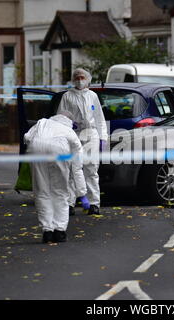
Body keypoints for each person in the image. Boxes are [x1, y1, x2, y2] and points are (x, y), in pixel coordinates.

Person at [24, 110, 90, 243]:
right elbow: (77, 167)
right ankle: (59, 231)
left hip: (36, 150)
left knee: (42, 193)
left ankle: (47, 231)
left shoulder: (41, 123)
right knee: (60, 192)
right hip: (59, 152)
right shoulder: (69, 131)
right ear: (70, 121)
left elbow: (27, 137)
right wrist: (82, 193)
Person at [57, 68, 108, 215]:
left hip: (91, 133)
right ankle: (70, 203)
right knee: (72, 170)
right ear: (73, 80)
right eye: (77, 77)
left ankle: (94, 203)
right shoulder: (67, 96)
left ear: (87, 79)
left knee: (91, 169)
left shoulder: (92, 96)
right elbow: (60, 117)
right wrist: (65, 129)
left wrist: (102, 138)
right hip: (74, 134)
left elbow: (99, 118)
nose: (80, 80)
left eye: (82, 77)